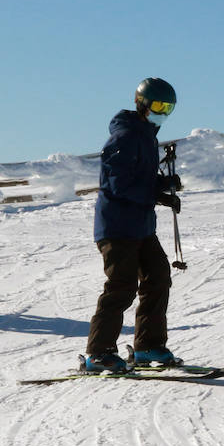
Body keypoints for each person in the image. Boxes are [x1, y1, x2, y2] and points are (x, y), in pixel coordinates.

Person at [82, 77, 184, 373]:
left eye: (168, 107)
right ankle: (98, 353)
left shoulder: (146, 135)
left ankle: (148, 346)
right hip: (117, 225)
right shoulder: (125, 136)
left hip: (140, 225)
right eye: (158, 105)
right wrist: (157, 193)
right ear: (141, 103)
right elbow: (117, 184)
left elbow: (140, 178)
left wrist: (163, 184)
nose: (163, 112)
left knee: (158, 277)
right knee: (122, 286)